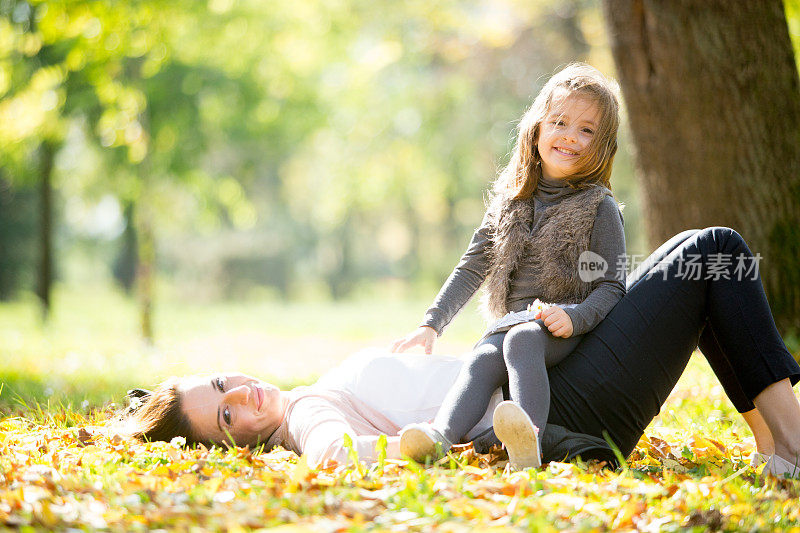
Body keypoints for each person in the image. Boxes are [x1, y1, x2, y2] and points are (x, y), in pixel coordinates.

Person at [128, 227, 800, 479]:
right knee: (713, 252)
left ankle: (775, 446)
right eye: (225, 416)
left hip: (554, 377)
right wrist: (449, 444)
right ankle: (792, 444)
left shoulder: (309, 393)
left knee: (707, 271)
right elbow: (334, 452)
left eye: (222, 381)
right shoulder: (305, 419)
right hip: (558, 404)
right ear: (237, 445)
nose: (241, 395)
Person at [391, 63, 627, 468]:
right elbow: (471, 267)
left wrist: (576, 317)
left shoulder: (598, 207)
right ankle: (439, 437)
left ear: (602, 145)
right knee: (483, 356)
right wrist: (431, 324)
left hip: (569, 326)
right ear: (537, 128)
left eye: (586, 130)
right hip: (513, 322)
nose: (570, 136)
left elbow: (612, 285)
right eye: (560, 122)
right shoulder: (510, 202)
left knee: (522, 340)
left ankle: (530, 440)